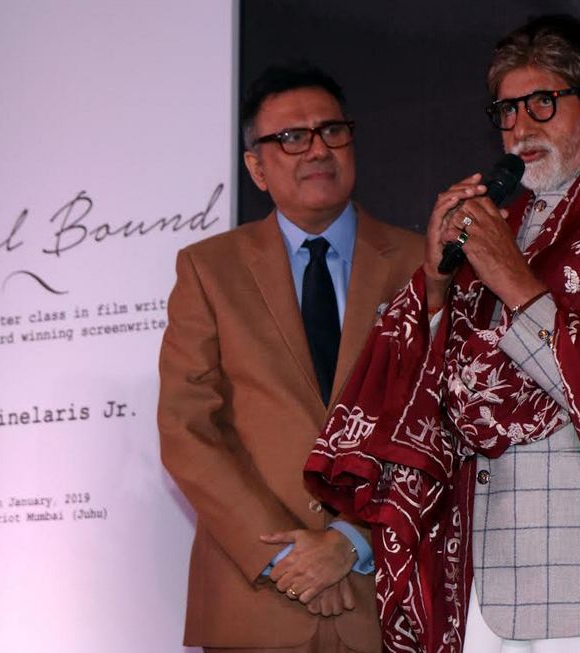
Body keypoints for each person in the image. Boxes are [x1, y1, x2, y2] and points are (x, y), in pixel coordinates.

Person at [304, 14, 580, 653]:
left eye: (542, 103)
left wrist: (512, 279)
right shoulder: (494, 229)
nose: (521, 127)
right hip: (482, 595)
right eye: (506, 110)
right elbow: (437, 396)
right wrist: (436, 284)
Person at [158, 63, 423, 653]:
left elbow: (442, 425)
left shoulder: (422, 264)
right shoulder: (208, 270)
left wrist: (351, 541)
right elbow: (186, 430)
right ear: (256, 167)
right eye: (292, 137)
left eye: (332, 131)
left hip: (387, 600)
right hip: (256, 602)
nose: (318, 150)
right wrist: (289, 556)